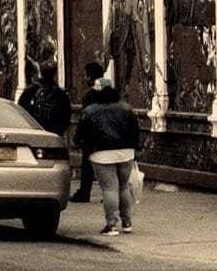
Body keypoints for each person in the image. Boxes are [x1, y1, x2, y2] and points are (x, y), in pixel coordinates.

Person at [73, 75, 140, 236]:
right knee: (123, 187)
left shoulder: (90, 111)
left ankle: (111, 225)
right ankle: (127, 222)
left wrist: (79, 143)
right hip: (126, 152)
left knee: (110, 188)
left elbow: (80, 134)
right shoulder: (126, 108)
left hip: (101, 153)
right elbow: (134, 129)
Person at [70, 62, 110, 203]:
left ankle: (84, 192)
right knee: (107, 164)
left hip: (92, 135)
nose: (84, 78)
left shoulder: (90, 95)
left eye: (86, 75)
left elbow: (85, 117)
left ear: (91, 77)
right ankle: (109, 193)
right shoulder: (110, 92)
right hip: (109, 133)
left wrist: (77, 137)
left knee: (87, 165)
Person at [18, 64, 72, 138]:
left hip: (35, 133)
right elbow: (66, 116)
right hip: (54, 134)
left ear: (41, 73)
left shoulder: (31, 89)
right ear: (55, 74)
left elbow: (21, 111)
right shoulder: (60, 93)